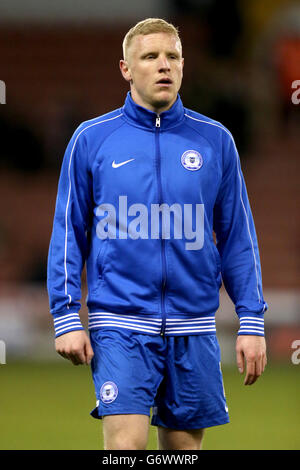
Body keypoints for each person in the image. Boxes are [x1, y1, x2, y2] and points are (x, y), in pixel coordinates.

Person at [47, 18, 268, 450]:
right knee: (126, 448)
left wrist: (252, 320)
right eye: (150, 57)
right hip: (120, 323)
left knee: (181, 452)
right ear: (126, 68)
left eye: (173, 56)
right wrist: (66, 315)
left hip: (195, 325)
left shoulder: (215, 141)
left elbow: (238, 238)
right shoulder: (92, 139)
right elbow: (69, 231)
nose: (164, 65)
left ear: (183, 66)